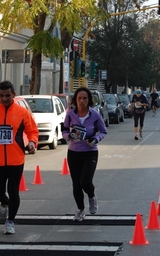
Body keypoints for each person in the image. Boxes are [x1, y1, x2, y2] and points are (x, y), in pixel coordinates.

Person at [0, 81, 39, 235]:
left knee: (14, 192)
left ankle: (10, 221)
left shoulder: (22, 112)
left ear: (13, 95)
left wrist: (32, 143)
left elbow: (33, 131)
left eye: (7, 95)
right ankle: (4, 202)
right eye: (1, 96)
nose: (4, 98)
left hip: (16, 160)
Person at [62, 87, 107, 221]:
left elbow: (103, 131)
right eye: (79, 98)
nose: (82, 101)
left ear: (89, 100)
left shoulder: (94, 115)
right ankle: (80, 210)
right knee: (76, 183)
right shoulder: (71, 114)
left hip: (90, 152)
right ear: (75, 100)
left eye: (85, 98)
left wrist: (95, 139)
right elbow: (64, 129)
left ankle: (92, 196)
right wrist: (68, 136)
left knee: (85, 182)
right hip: (74, 152)